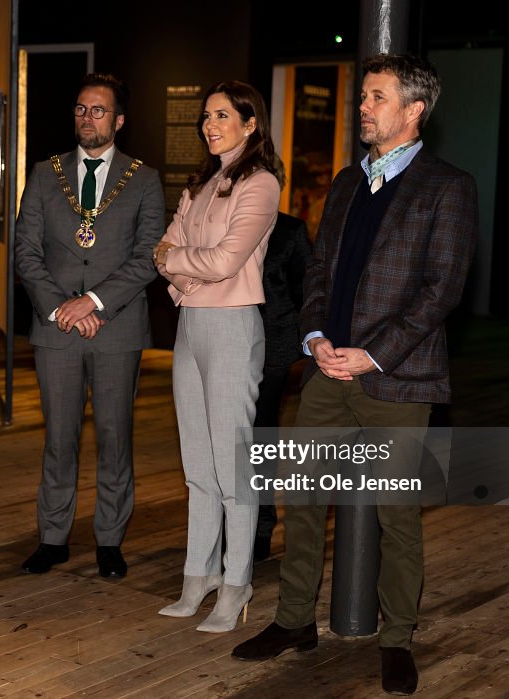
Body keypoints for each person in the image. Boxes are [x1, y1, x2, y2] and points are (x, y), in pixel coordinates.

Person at [231, 54, 478, 696]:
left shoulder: (447, 186)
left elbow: (441, 290)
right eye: (363, 96)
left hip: (394, 379)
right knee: (304, 503)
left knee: (397, 515)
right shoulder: (346, 182)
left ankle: (396, 638)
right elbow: (318, 274)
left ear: (414, 110)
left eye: (376, 96)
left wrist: (371, 354)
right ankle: (293, 623)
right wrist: (315, 337)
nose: (362, 106)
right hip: (325, 371)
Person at [14, 73, 165, 578]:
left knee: (114, 436)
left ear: (119, 120)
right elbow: (26, 252)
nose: (88, 118)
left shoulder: (144, 178)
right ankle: (53, 537)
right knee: (58, 438)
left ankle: (109, 540)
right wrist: (61, 308)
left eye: (98, 111)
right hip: (55, 328)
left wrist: (95, 303)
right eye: (81, 109)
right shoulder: (44, 173)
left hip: (116, 327)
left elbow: (149, 257)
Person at [154, 80, 282, 632]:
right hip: (190, 322)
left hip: (232, 325)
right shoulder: (202, 182)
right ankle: (197, 575)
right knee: (197, 466)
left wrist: (179, 261)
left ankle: (237, 582)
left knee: (233, 468)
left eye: (222, 115)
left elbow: (226, 260)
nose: (209, 124)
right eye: (206, 116)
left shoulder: (261, 183)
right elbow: (163, 251)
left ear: (250, 124)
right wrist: (183, 266)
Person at [252, 212, 310, 562]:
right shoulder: (218, 217)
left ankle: (260, 525)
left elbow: (307, 290)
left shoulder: (289, 230)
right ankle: (226, 524)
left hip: (271, 348)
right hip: (223, 340)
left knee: (259, 437)